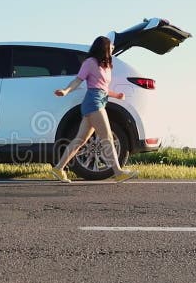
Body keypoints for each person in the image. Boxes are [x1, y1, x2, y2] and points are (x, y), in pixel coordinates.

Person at [50, 35, 138, 183]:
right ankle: (118, 172)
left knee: (80, 140)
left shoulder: (106, 66)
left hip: (100, 100)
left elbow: (103, 88)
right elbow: (78, 80)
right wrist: (65, 91)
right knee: (107, 137)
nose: (112, 48)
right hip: (93, 102)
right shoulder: (89, 63)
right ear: (103, 47)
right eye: (110, 46)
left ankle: (58, 168)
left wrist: (116, 95)